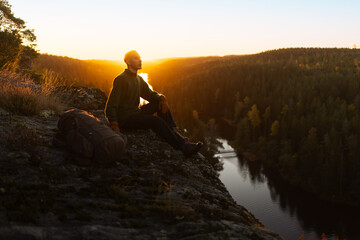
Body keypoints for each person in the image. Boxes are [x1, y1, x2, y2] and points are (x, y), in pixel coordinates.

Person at [104, 50, 203, 157]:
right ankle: (183, 146)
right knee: (155, 121)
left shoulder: (138, 79)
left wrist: (162, 99)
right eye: (136, 58)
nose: (140, 60)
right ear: (128, 61)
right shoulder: (121, 79)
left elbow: (150, 94)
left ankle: (173, 132)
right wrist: (114, 123)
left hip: (135, 113)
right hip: (125, 118)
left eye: (140, 58)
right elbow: (111, 105)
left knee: (159, 103)